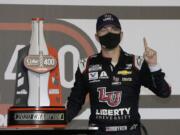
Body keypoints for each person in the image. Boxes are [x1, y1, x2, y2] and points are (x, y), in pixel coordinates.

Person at [66, 13, 171, 135]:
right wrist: (57, 120)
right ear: (96, 36)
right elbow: (75, 103)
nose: (109, 33)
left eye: (114, 29)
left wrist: (153, 65)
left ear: (121, 35)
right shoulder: (86, 65)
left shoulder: (137, 63)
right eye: (103, 29)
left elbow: (164, 92)